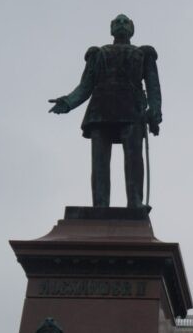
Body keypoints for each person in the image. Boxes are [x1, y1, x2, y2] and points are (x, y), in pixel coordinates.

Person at [49, 14, 161, 208]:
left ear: (132, 29)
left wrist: (155, 112)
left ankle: (135, 203)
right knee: (99, 163)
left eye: (125, 22)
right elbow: (86, 86)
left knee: (134, 160)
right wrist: (67, 102)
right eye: (117, 22)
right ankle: (100, 205)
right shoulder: (98, 54)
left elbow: (153, 87)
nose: (121, 24)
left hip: (132, 109)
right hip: (101, 109)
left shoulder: (143, 54)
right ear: (111, 29)